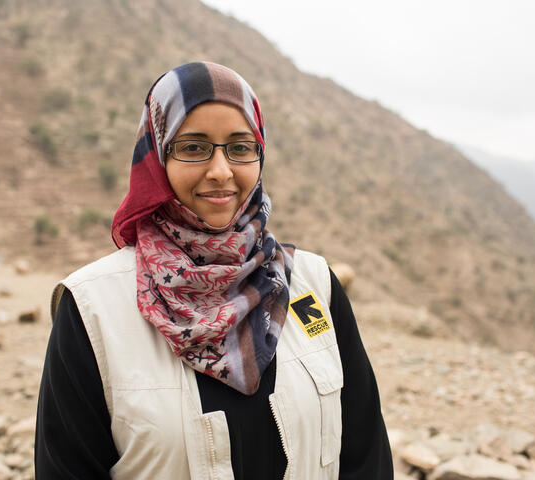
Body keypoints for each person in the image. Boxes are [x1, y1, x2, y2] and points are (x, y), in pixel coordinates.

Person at [35, 61, 393, 479]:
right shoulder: (92, 309)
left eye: (240, 147)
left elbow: (365, 457)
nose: (221, 170)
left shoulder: (314, 284)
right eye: (193, 147)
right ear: (156, 158)